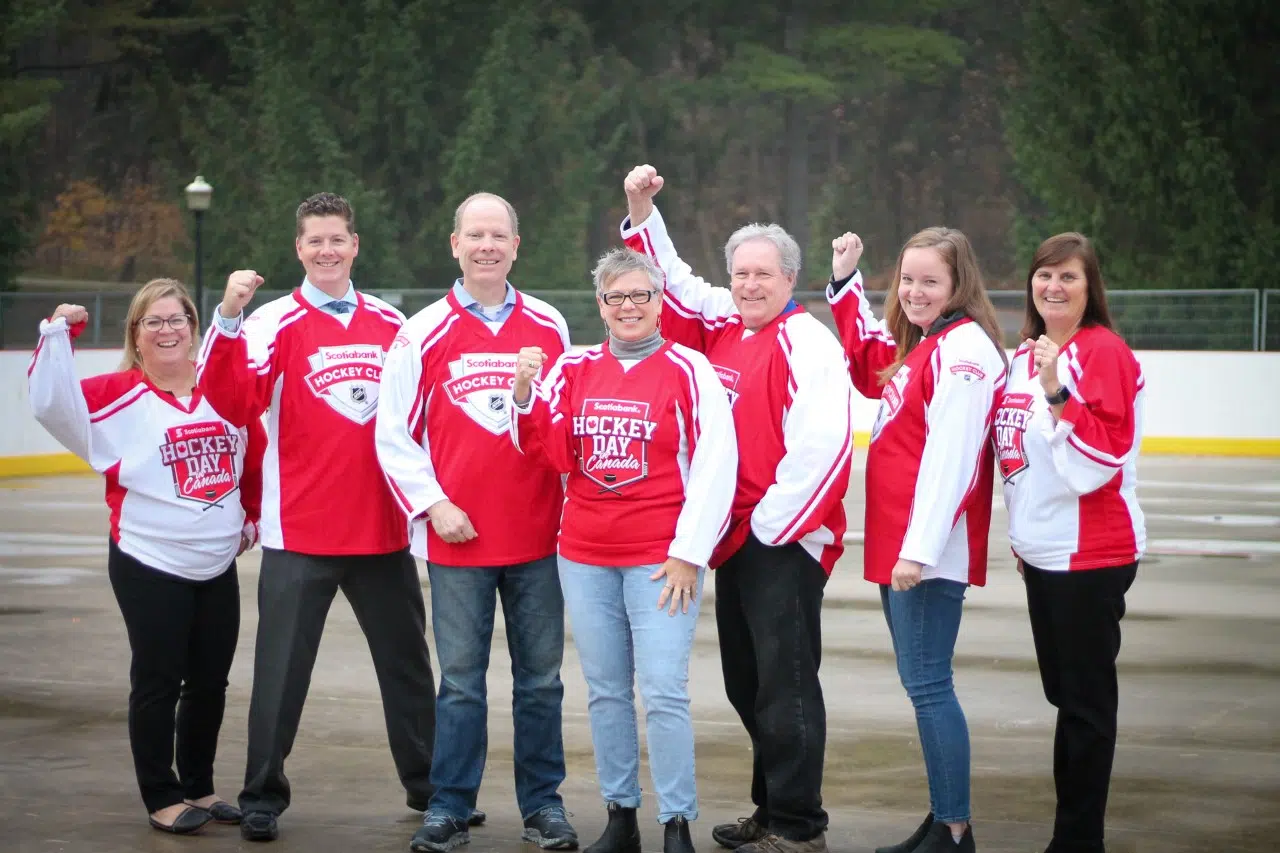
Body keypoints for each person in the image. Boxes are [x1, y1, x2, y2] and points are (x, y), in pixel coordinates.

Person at [620, 165, 854, 853]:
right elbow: (678, 279)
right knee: (747, 683)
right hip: (736, 540)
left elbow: (824, 450)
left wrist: (770, 528)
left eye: (765, 273)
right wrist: (641, 211)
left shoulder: (808, 341)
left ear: (789, 278)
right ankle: (772, 805)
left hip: (782, 538)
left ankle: (800, 824)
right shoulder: (727, 324)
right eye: (742, 273)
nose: (750, 284)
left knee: (786, 688)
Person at [196, 192, 437, 843]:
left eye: (337, 239)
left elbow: (424, 419)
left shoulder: (394, 323)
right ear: (298, 248)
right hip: (299, 531)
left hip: (383, 529)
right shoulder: (270, 321)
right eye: (314, 241)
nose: (327, 250)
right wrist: (225, 316)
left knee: (409, 667)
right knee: (279, 671)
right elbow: (232, 398)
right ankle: (261, 795)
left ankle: (429, 785)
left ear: (355, 245)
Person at [508, 248, 737, 853]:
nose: (629, 307)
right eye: (616, 297)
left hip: (661, 563)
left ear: (660, 301)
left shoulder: (691, 370)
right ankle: (621, 815)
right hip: (583, 557)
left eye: (641, 295)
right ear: (601, 305)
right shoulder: (574, 368)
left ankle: (676, 820)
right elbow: (553, 455)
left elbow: (717, 466)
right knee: (607, 690)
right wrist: (526, 393)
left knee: (662, 689)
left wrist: (690, 553)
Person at [375, 192, 577, 853]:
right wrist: (434, 503)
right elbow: (393, 433)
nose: (487, 244)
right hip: (457, 539)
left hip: (537, 539)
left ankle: (543, 805)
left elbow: (557, 428)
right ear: (454, 244)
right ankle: (450, 806)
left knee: (541, 680)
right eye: (475, 234)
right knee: (460, 682)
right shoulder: (421, 329)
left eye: (499, 234)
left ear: (517, 245)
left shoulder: (549, 324)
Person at [28, 280, 264, 835]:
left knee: (210, 681)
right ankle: (162, 795)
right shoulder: (114, 394)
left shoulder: (222, 387)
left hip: (216, 560)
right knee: (158, 679)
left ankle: (200, 787)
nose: (166, 331)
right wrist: (57, 331)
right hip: (147, 558)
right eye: (152, 322)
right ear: (135, 333)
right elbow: (50, 401)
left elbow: (253, 452)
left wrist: (250, 513)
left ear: (193, 327)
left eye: (176, 319)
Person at [825, 228, 1007, 853]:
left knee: (930, 686)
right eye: (906, 280)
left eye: (930, 281)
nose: (915, 292)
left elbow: (952, 462)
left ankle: (954, 830)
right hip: (902, 549)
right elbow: (874, 365)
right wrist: (848, 279)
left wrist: (919, 550)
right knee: (921, 684)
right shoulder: (928, 344)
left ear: (959, 285)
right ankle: (943, 818)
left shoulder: (964, 352)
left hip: (923, 556)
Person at [996, 233, 1146, 853]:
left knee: (1083, 708)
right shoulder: (1024, 355)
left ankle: (1078, 841)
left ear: (1091, 288)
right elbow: (1015, 458)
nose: (1053, 287)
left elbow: (1099, 462)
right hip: (1045, 558)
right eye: (1044, 276)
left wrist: (1058, 391)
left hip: (1091, 556)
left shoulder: (1100, 352)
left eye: (1069, 278)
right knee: (1066, 699)